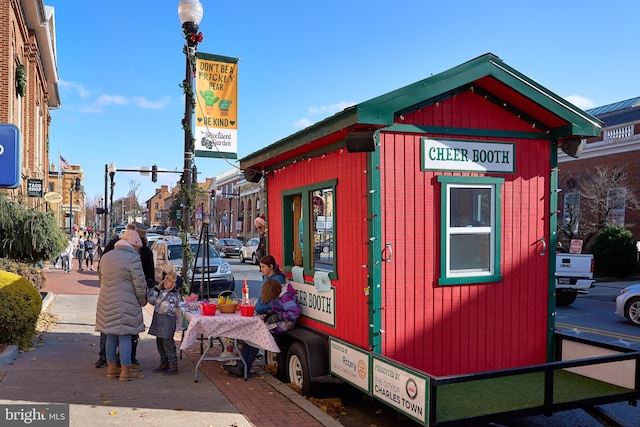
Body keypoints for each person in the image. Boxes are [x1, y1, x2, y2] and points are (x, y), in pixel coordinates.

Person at [223, 255, 300, 378]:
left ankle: (244, 367)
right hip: (278, 319)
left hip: (284, 323)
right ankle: (243, 365)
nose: (261, 269)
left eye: (263, 267)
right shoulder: (277, 291)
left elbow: (294, 313)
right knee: (251, 334)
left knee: (256, 335)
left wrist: (276, 317)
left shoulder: (285, 297)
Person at [95, 222, 156, 369]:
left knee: (110, 335)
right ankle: (125, 369)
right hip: (126, 303)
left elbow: (101, 278)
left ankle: (110, 367)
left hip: (106, 301)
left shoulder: (107, 256)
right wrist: (142, 300)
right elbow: (140, 284)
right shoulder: (133, 258)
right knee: (125, 336)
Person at [147, 271, 181, 375]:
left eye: (169, 281)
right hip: (159, 320)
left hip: (167, 321)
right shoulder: (162, 292)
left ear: (174, 284)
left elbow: (168, 308)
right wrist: (151, 290)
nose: (166, 282)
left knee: (168, 343)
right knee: (160, 343)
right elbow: (153, 301)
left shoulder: (174, 295)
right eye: (166, 279)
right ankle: (164, 362)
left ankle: (173, 365)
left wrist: (160, 301)